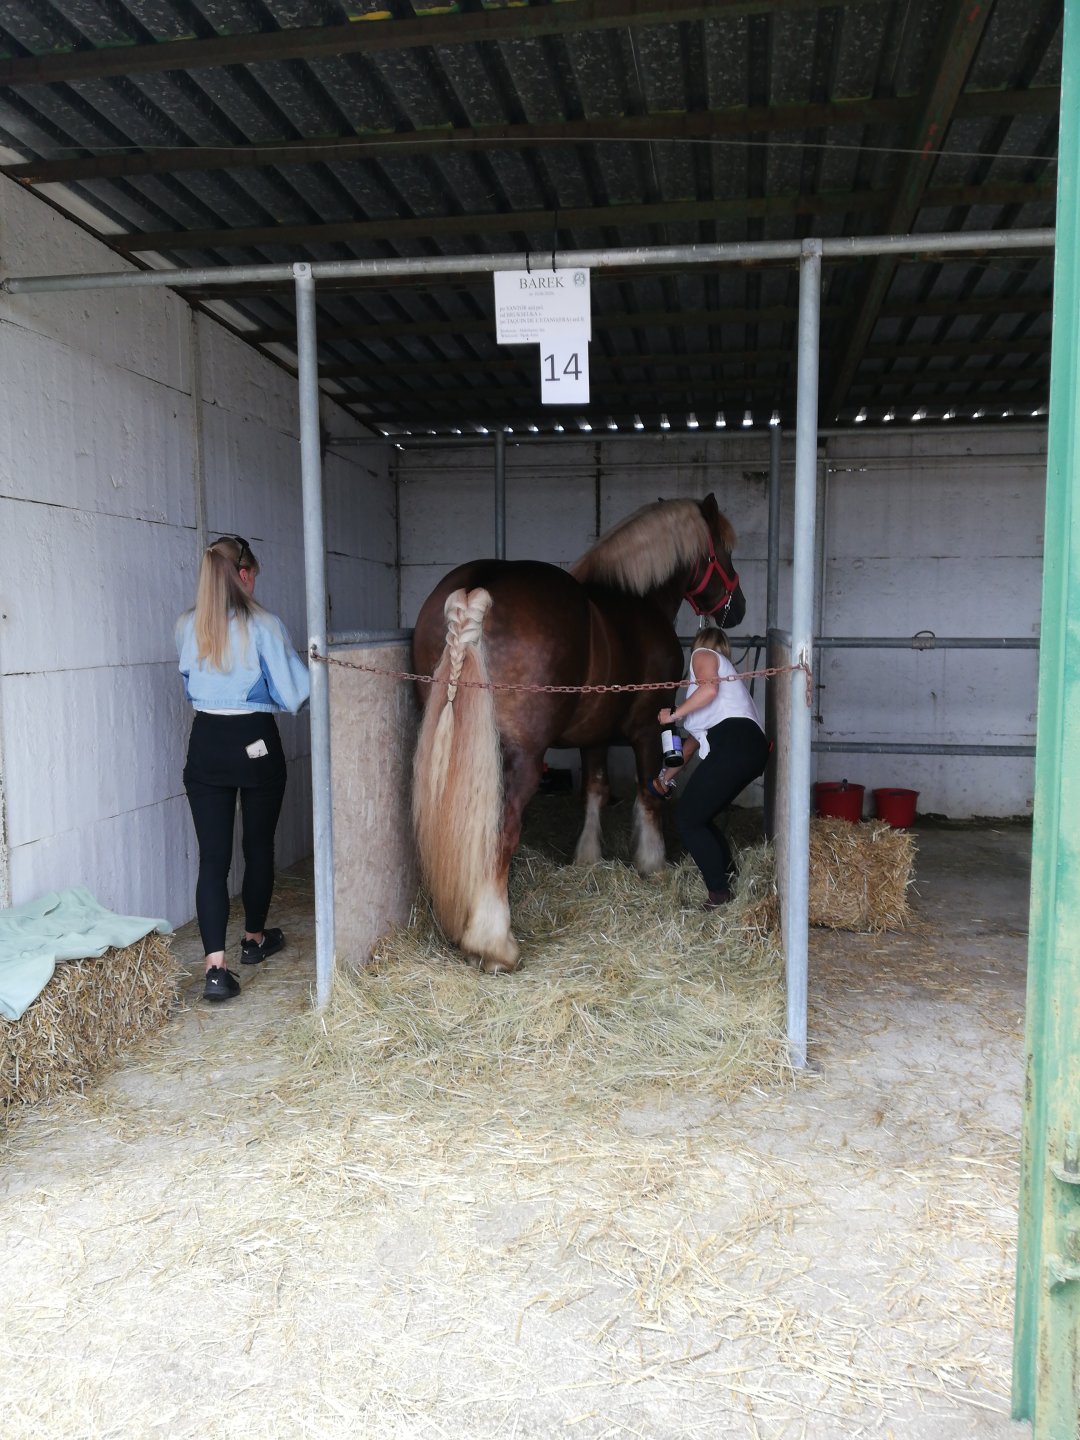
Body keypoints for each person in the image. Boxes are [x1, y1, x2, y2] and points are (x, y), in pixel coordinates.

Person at [176, 535, 310, 1002]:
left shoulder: (187, 625)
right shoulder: (264, 624)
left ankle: (215, 970)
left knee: (212, 860)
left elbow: (189, 682)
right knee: (258, 845)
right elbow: (294, 694)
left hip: (206, 741)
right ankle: (253, 940)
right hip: (255, 741)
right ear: (246, 574)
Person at [654, 627, 769, 910]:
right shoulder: (719, 697)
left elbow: (709, 689)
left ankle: (719, 894)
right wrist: (663, 780)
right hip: (749, 750)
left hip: (734, 744)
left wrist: (673, 715)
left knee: (687, 819)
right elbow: (688, 749)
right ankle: (729, 878)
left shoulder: (703, 655)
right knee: (699, 817)